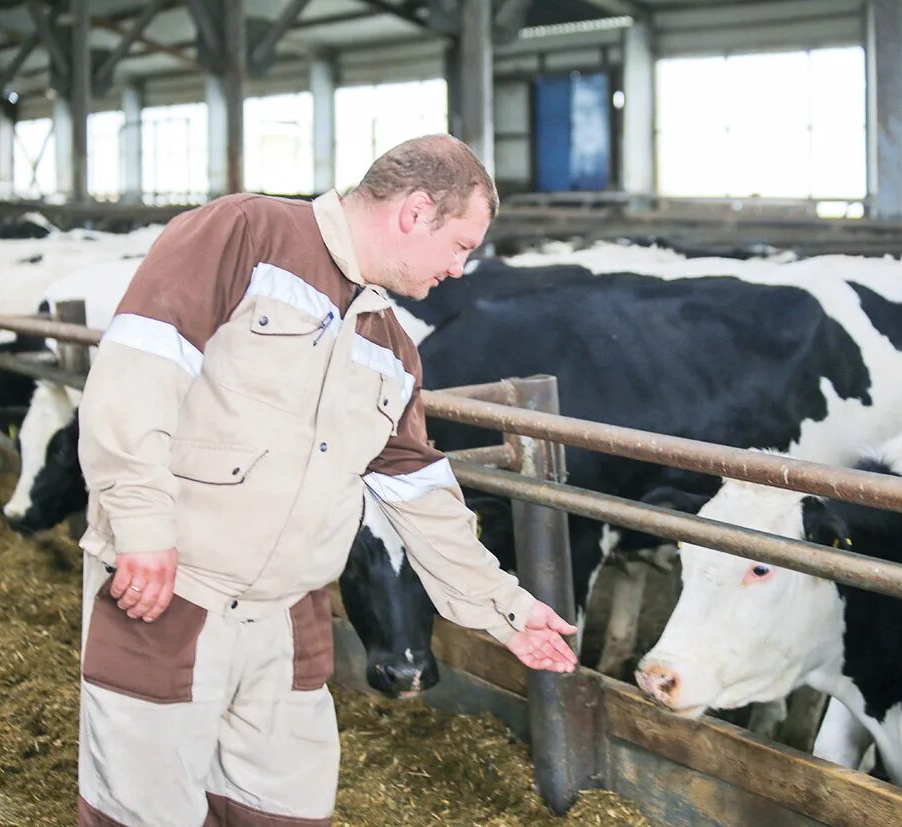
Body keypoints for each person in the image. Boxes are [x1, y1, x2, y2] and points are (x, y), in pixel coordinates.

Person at [75, 134, 579, 826]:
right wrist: (139, 523)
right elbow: (138, 370)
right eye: (461, 244)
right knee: (143, 813)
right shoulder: (245, 234)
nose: (462, 269)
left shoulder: (393, 349)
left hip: (292, 617)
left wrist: (506, 611)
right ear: (415, 211)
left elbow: (422, 498)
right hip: (170, 592)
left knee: (284, 812)